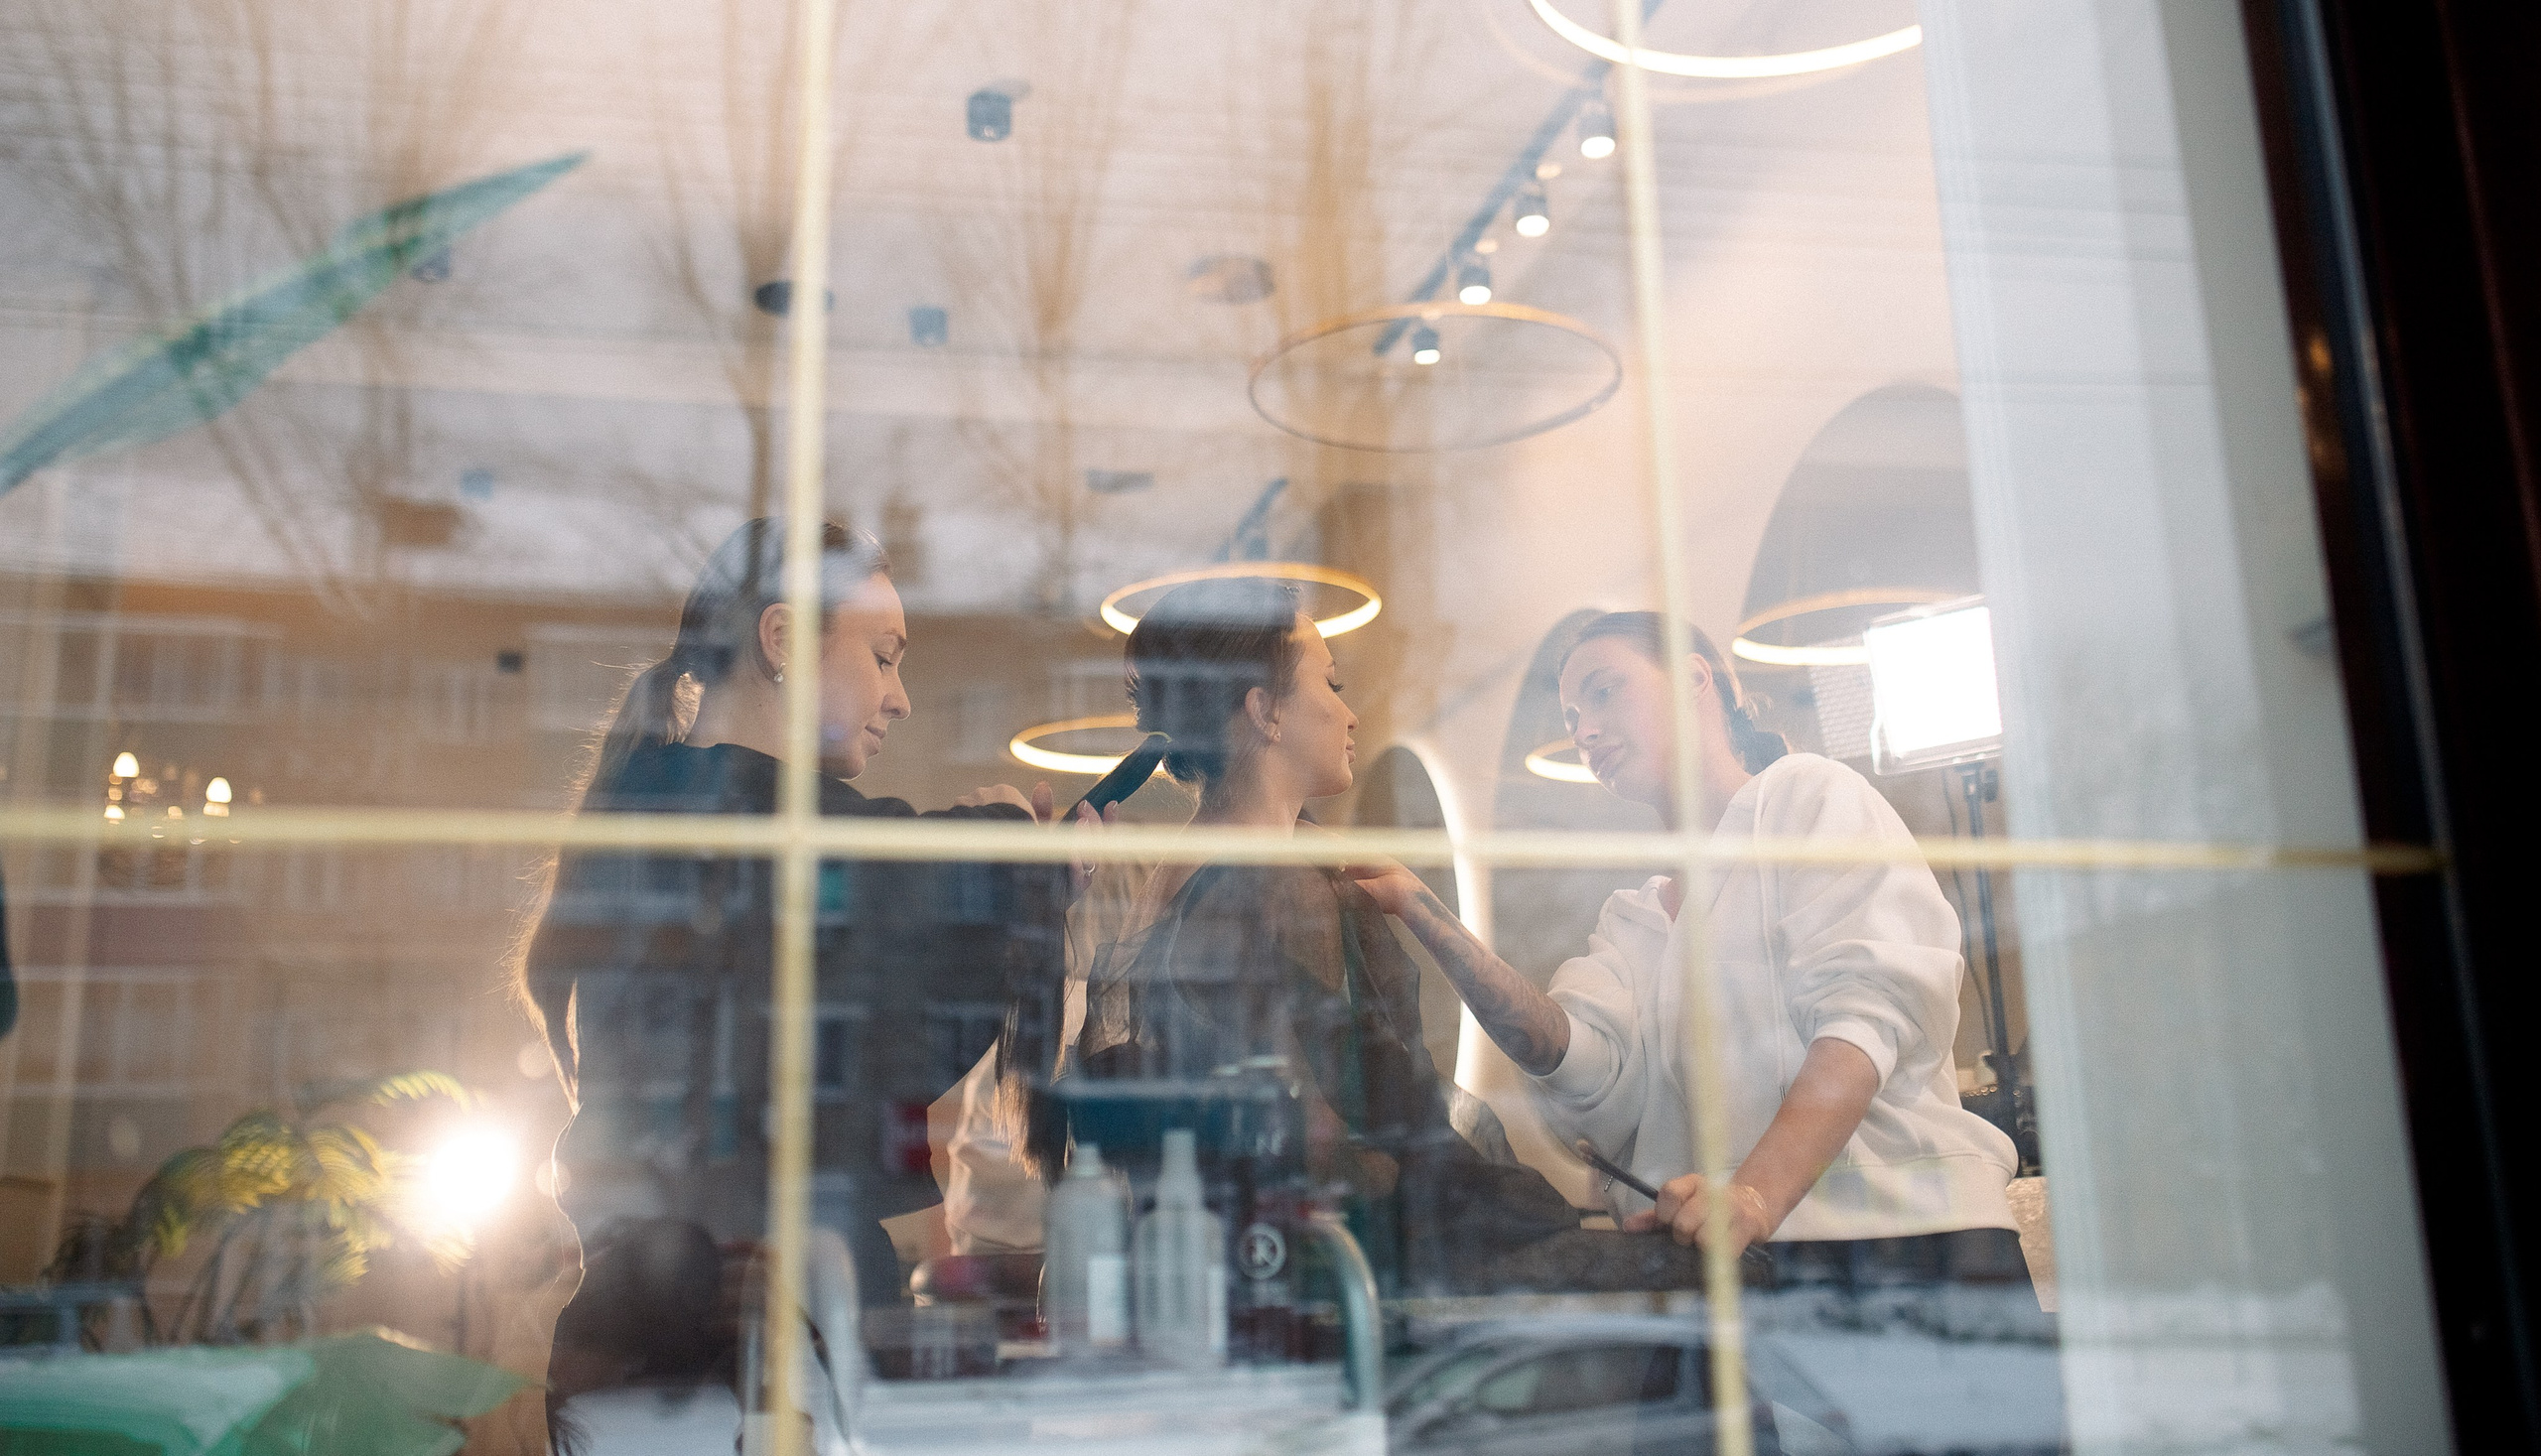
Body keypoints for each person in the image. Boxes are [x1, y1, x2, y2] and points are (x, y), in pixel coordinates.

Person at [515, 517, 1062, 1422]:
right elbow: (886, 966)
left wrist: (1009, 866)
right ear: (780, 641)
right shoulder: (759, 839)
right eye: (884, 657)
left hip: (657, 1378)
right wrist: (1007, 853)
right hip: (742, 1384)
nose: (902, 698)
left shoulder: (655, 820)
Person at [1353, 611, 2030, 1301]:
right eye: (1571, 712)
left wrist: (1757, 1196)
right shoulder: (1634, 920)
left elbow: (1865, 1019)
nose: (1583, 728)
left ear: (1695, 678)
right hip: (1738, 1267)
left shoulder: (1807, 798)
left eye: (1604, 690)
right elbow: (1586, 1065)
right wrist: (1423, 911)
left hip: (1909, 1250)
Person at [1042, 577, 1575, 1293]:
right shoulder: (1278, 883)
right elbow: (1322, 1145)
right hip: (1302, 1283)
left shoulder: (1176, 875)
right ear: (1263, 710)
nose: (1351, 713)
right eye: (1331, 682)